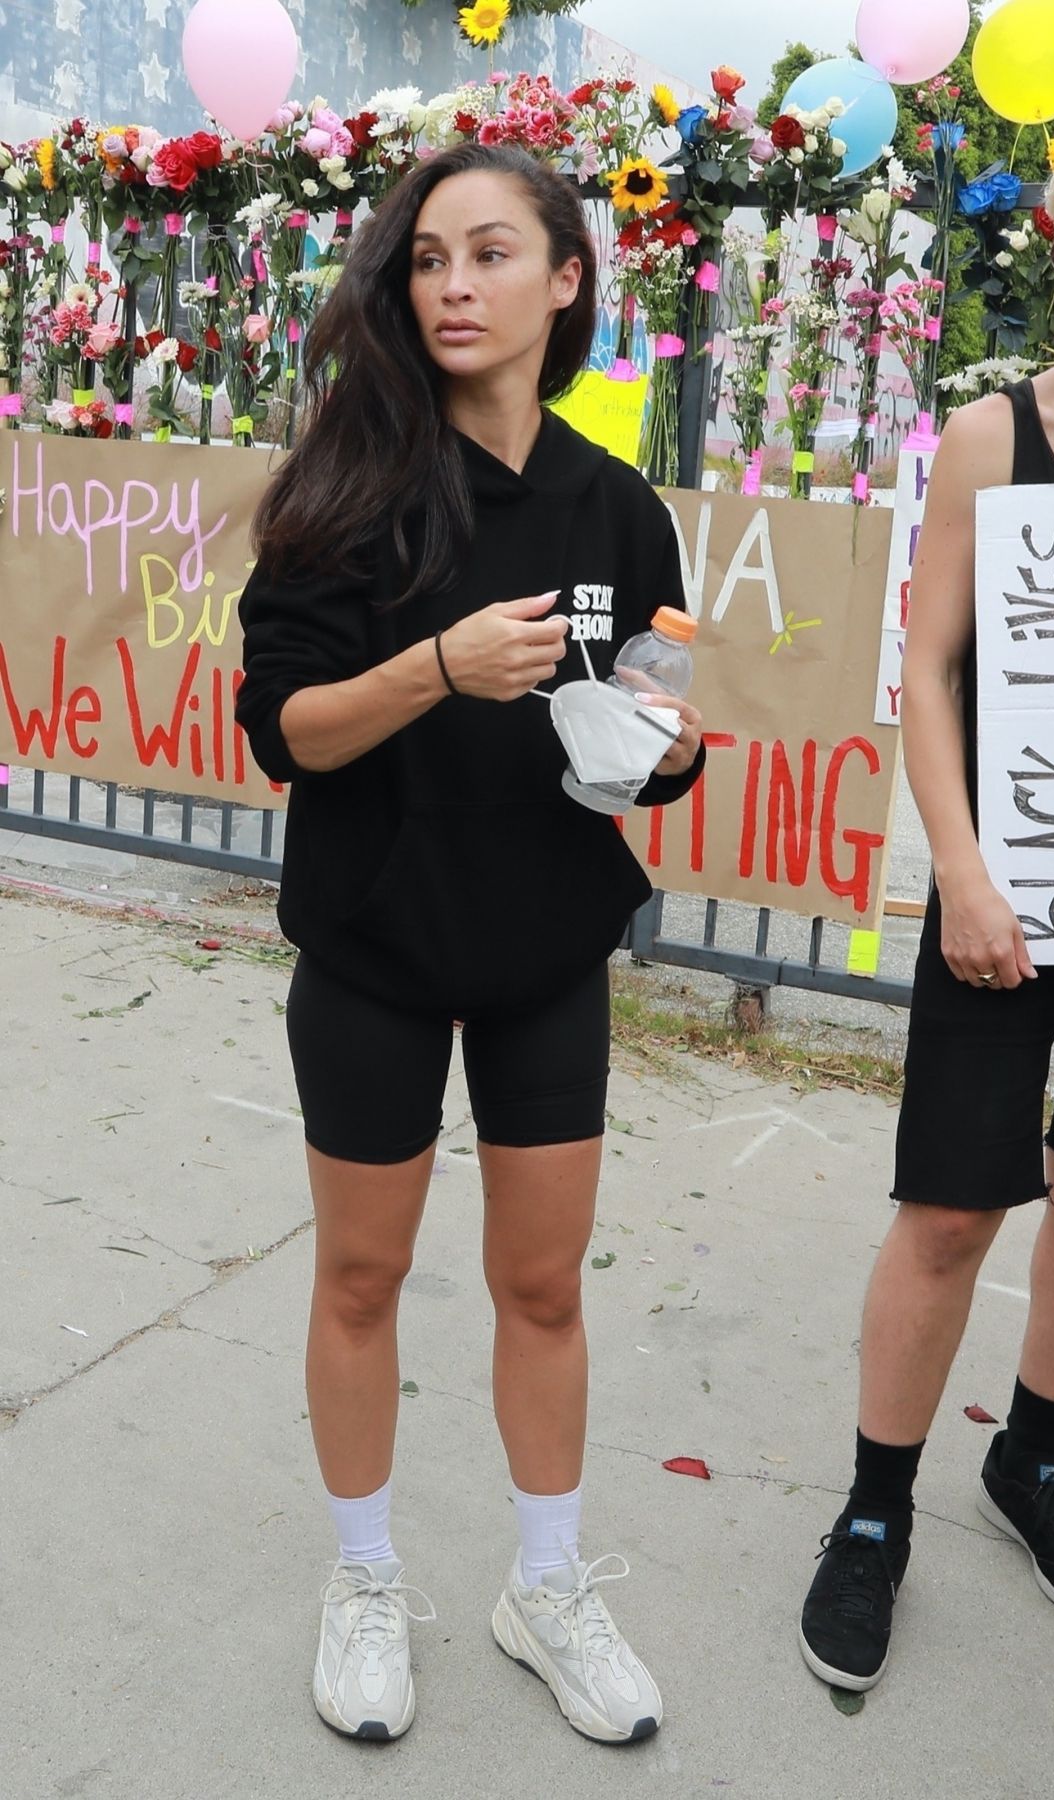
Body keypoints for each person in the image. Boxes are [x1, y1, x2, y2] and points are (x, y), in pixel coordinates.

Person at [234, 141, 704, 1746]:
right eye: (429, 258)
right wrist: (435, 665)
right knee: (362, 1274)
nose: (453, 286)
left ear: (566, 282)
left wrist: (664, 744)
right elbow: (286, 733)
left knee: (543, 1284)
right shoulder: (344, 490)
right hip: (372, 945)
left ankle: (546, 1582)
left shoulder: (617, 503)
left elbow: (653, 693)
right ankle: (365, 1578)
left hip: (546, 953)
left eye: (493, 255)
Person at [799, 117, 1054, 1692]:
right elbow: (930, 667)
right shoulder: (991, 434)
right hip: (1005, 892)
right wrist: (958, 867)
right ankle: (874, 1512)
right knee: (954, 1207)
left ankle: (1030, 1466)